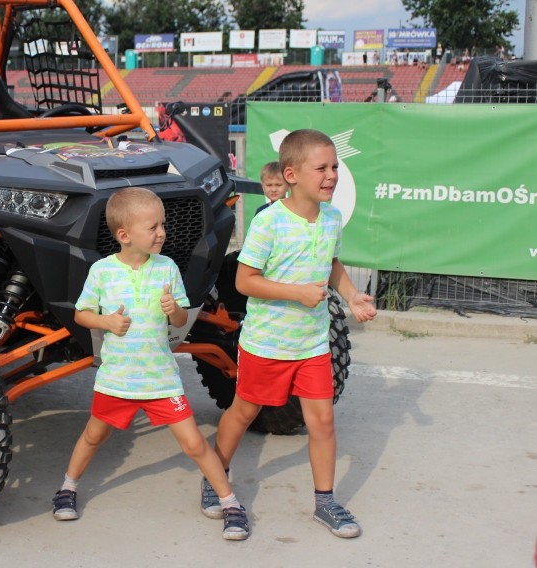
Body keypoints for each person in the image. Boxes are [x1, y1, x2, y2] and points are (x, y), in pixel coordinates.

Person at [200, 129, 377, 538]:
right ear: (292, 174)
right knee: (243, 413)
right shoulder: (270, 223)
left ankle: (326, 502)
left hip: (312, 343)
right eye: (322, 168)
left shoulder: (331, 217)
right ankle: (214, 477)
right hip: (267, 343)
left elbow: (332, 264)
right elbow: (244, 281)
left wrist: (351, 297)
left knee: (323, 422)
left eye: (335, 167)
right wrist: (296, 292)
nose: (332, 175)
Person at [52, 186, 249, 541]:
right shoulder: (102, 271)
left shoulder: (168, 268)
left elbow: (178, 324)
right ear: (124, 235)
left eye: (162, 225)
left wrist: (176, 312)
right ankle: (67, 488)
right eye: (153, 227)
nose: (162, 233)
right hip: (117, 380)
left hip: (161, 381)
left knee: (194, 444)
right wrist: (106, 322)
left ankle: (231, 503)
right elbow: (82, 315)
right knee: (93, 436)